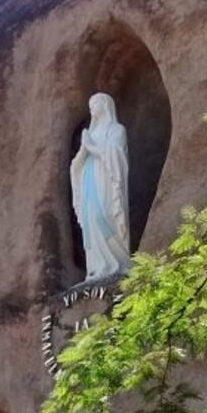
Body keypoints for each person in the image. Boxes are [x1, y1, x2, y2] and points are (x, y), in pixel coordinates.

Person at [70, 93, 131, 282]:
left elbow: (117, 157)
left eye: (95, 103)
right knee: (90, 220)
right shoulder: (91, 133)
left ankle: (116, 264)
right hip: (89, 179)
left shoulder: (116, 129)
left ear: (105, 105)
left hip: (107, 180)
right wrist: (83, 149)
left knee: (104, 215)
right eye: (90, 104)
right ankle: (96, 268)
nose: (92, 108)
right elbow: (76, 166)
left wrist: (92, 147)